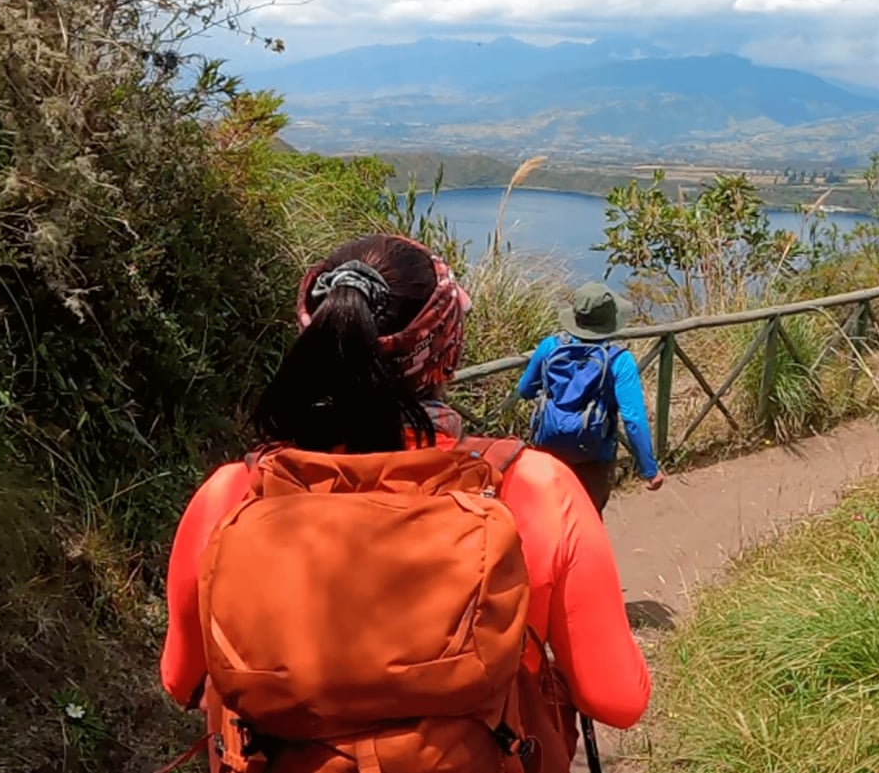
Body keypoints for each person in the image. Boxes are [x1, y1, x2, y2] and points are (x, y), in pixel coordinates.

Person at [159, 234, 650, 773]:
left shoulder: (234, 494)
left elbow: (182, 679)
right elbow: (618, 700)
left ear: (318, 338)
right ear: (448, 352)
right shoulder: (533, 488)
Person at [518, 282, 664, 515]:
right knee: (588, 522)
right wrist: (649, 470)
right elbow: (633, 419)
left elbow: (524, 389)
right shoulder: (619, 360)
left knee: (549, 519)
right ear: (609, 322)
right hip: (595, 457)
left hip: (547, 451)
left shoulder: (550, 346)